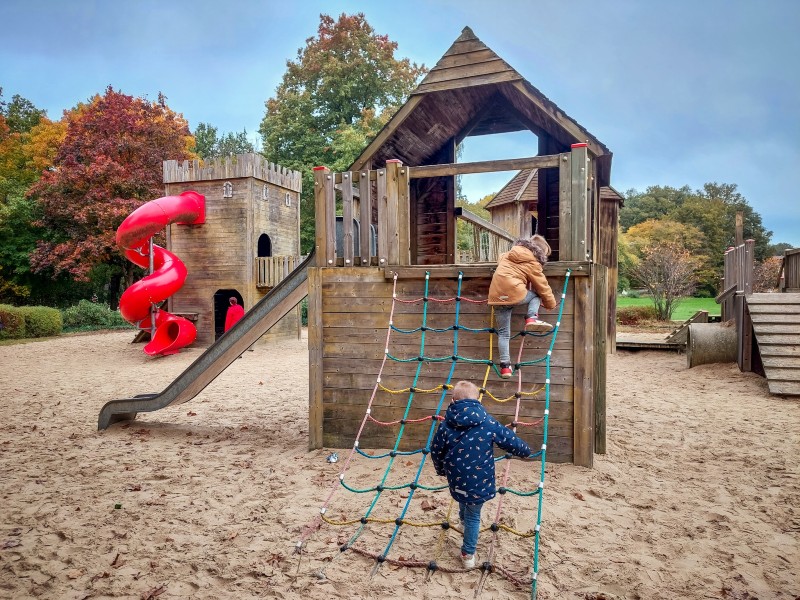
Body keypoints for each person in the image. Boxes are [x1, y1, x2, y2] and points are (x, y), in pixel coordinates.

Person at [430, 380, 533, 569]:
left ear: (453, 400)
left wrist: (440, 469)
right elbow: (508, 439)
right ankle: (468, 554)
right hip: (479, 480)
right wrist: (525, 451)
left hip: (456, 478)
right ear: (477, 400)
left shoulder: (446, 424)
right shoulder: (486, 421)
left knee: (463, 497)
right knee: (474, 516)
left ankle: (461, 523)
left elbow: (436, 449)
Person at [488, 234, 557, 379]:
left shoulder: (507, 255)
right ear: (540, 253)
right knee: (536, 295)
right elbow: (543, 287)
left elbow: (500, 258)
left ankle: (505, 367)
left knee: (503, 334)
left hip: (496, 296)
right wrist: (551, 304)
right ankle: (531, 317)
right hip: (515, 293)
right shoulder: (533, 262)